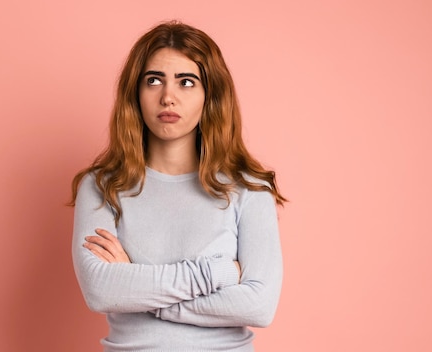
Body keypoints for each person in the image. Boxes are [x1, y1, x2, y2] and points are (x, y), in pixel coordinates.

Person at [69, 20, 286, 351]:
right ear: (135, 93)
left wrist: (139, 290)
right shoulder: (102, 186)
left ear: (208, 95)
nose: (168, 97)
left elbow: (258, 305)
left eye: (187, 82)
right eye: (154, 80)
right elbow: (101, 291)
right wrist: (217, 275)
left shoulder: (249, 188)